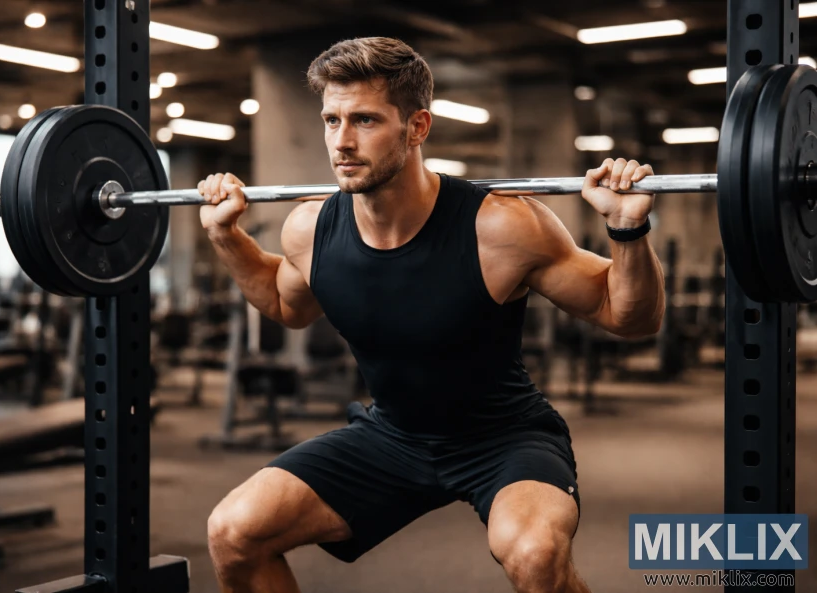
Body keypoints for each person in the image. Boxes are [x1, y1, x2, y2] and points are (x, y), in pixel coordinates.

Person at [198, 36, 665, 593]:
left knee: (536, 555)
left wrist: (628, 230)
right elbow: (283, 303)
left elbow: (629, 317)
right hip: (391, 436)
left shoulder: (501, 227)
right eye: (331, 120)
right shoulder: (311, 229)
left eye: (365, 120)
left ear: (417, 127)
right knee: (234, 532)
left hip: (505, 437)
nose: (341, 142)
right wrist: (225, 235)